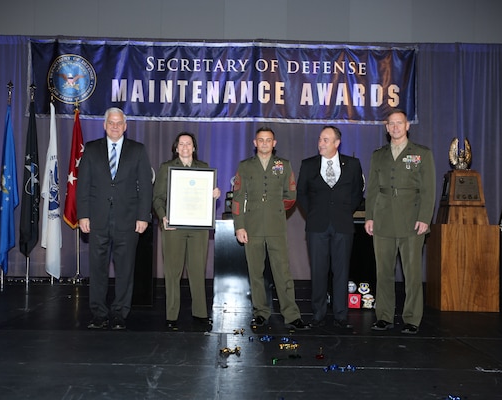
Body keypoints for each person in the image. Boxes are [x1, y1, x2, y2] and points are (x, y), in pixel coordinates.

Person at [77, 107, 153, 330]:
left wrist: (143, 217)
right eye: (111, 122)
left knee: (125, 269)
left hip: (128, 221)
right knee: (98, 269)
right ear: (104, 124)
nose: (115, 126)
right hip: (97, 220)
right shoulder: (91, 150)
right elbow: (83, 186)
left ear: (125, 126)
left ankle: (120, 312)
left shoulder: (138, 150)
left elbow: (145, 188)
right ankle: (98, 313)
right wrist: (83, 215)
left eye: (119, 123)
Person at [364, 109, 436, 334]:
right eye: (391, 124)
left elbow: (428, 189)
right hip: (383, 219)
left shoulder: (422, 153)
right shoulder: (379, 155)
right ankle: (384, 316)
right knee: (383, 271)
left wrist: (424, 218)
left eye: (399, 123)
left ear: (407, 126)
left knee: (412, 273)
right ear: (387, 128)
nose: (395, 127)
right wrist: (369, 217)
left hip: (411, 220)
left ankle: (412, 318)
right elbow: (373, 189)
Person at [232, 127, 309, 331]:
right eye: (261, 140)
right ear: (255, 143)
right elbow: (238, 199)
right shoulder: (245, 166)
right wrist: (239, 226)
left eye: (268, 140)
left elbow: (291, 195)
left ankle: (291, 315)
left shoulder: (283, 165)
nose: (265, 143)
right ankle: (260, 313)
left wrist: (274, 210)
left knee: (282, 271)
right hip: (252, 226)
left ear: (274, 143)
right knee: (255, 272)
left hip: (276, 226)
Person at [297, 125, 364, 330]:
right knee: (318, 271)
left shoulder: (352, 164)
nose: (321, 143)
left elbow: (357, 194)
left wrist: (344, 212)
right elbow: (302, 194)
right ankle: (318, 314)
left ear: (337, 143)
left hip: (343, 225)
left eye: (326, 140)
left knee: (341, 271)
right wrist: (314, 214)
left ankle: (341, 314)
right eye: (320, 139)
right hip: (317, 225)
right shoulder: (308, 165)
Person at [153, 132, 221, 332]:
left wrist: (214, 194)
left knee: (198, 270)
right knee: (173, 272)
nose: (184, 147)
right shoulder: (167, 168)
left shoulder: (204, 168)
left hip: (198, 228)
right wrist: (163, 216)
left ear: (194, 148)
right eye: (181, 144)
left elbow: (207, 196)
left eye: (188, 144)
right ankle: (171, 316)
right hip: (173, 227)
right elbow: (157, 198)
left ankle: (200, 313)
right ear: (176, 148)